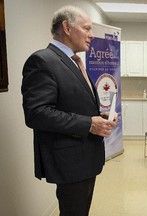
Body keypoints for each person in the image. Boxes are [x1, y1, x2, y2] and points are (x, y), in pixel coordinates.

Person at [21, 6, 118, 216]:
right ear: (66, 27)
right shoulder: (43, 61)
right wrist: (89, 124)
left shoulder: (73, 61)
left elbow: (74, 104)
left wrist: (100, 118)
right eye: (86, 28)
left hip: (84, 157)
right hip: (70, 162)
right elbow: (37, 113)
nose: (92, 35)